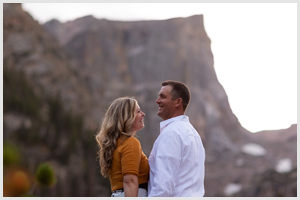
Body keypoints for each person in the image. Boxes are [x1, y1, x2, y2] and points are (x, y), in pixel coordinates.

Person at [148, 80, 205, 197]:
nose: (157, 101)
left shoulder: (172, 133)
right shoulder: (194, 134)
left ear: (178, 102)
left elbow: (163, 186)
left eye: (162, 97)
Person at [95, 97, 149, 197]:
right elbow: (130, 181)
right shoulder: (130, 142)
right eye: (138, 111)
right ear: (127, 117)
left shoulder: (116, 144)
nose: (143, 114)